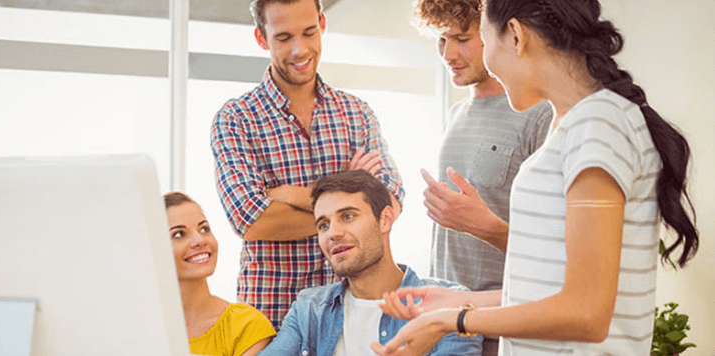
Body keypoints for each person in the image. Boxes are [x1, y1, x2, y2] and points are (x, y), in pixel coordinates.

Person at [372, 0, 699, 355]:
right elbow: (552, 285)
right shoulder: (580, 124)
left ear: (514, 35)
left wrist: (453, 320)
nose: (492, 69)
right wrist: (457, 301)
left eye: (480, 37)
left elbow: (586, 313)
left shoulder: (598, 125)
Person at [210, 0, 405, 329]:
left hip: (355, 314)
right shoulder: (235, 119)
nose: (300, 50)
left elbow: (389, 203)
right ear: (262, 38)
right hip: (272, 317)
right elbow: (252, 220)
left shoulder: (356, 112)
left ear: (322, 24)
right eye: (284, 38)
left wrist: (292, 195)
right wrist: (352, 201)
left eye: (309, 32)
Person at [412, 2, 552, 354]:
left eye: (461, 38)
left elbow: (555, 251)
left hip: (501, 328)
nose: (448, 54)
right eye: (441, 40)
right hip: (445, 328)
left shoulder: (539, 115)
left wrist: (482, 225)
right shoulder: (454, 115)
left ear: (498, 34)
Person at [258, 170, 481, 356]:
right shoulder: (309, 308)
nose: (333, 233)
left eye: (347, 216)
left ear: (385, 219)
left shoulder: (449, 304)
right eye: (323, 225)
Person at [165, 192, 276, 356]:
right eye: (179, 234)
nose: (200, 240)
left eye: (204, 229)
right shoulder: (137, 326)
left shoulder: (246, 325)